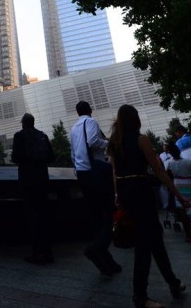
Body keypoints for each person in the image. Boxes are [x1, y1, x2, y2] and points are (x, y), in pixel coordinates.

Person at [108, 105, 188, 308]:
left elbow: (115, 172)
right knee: (145, 244)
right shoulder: (141, 139)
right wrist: (177, 193)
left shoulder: (114, 142)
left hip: (126, 192)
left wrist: (118, 196)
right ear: (136, 119)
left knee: (155, 241)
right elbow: (158, 169)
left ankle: (173, 283)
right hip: (141, 192)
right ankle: (140, 296)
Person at [70, 100, 120, 276]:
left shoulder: (74, 128)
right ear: (90, 110)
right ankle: (97, 249)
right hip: (96, 171)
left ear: (77, 113)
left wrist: (77, 170)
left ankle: (106, 259)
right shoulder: (90, 122)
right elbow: (92, 142)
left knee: (95, 215)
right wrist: (108, 143)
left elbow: (73, 154)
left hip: (82, 173)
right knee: (108, 212)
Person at [11, 112, 55, 264]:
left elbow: (15, 157)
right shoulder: (42, 135)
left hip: (28, 181)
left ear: (23, 123)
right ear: (33, 122)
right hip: (43, 180)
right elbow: (51, 157)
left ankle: (37, 253)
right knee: (44, 215)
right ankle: (48, 252)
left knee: (32, 217)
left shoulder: (19, 136)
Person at [165, 143, 191, 243]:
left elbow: (168, 177)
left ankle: (188, 236)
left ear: (170, 153)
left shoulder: (169, 163)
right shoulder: (188, 161)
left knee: (183, 211)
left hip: (179, 187)